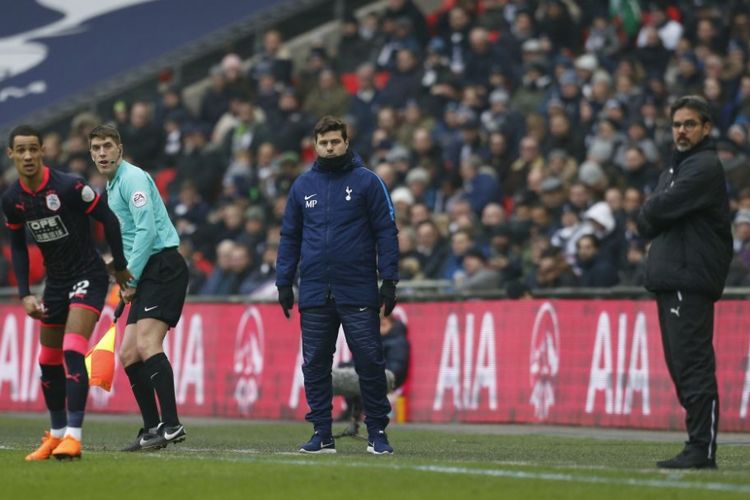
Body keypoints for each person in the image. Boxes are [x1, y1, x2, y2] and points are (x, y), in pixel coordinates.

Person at [2, 125, 130, 460]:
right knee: (47, 360)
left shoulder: (69, 185)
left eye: (34, 149)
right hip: (55, 283)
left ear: (43, 150)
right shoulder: (13, 199)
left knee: (73, 349)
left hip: (88, 275)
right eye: (21, 150)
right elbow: (16, 246)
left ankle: (74, 436)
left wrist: (118, 266)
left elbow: (109, 219)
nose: (28, 156)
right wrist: (26, 294)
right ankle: (56, 435)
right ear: (11, 154)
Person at [276, 116, 399, 455]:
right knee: (315, 363)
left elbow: (387, 231)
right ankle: (322, 433)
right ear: (315, 146)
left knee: (370, 362)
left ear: (346, 142)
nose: (329, 147)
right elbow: (290, 236)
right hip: (315, 290)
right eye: (323, 142)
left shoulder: (367, 182)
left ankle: (377, 432)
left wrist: (389, 280)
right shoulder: (302, 186)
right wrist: (284, 282)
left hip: (358, 288)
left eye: (335, 141)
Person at [637, 95, 732, 469]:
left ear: (706, 128)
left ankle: (701, 448)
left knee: (692, 364)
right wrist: (654, 210)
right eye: (677, 124)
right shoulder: (673, 172)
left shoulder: (704, 167)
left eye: (690, 124)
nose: (682, 130)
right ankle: (696, 444)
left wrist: (654, 209)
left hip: (688, 279)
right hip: (671, 278)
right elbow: (648, 221)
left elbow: (653, 212)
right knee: (680, 365)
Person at [89, 125, 189, 452]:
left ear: (120, 148)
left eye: (107, 146)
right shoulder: (111, 185)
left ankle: (172, 425)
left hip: (162, 265)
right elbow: (130, 236)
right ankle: (151, 429)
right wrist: (116, 266)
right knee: (129, 353)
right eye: (96, 148)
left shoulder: (132, 179)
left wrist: (128, 278)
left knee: (148, 343)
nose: (102, 153)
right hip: (146, 270)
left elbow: (146, 231)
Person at [333, 314, 410, 435]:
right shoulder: (374, 340)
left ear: (393, 325)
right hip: (371, 373)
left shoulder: (398, 342)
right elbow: (357, 360)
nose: (380, 328)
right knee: (344, 371)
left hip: (387, 376)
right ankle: (353, 411)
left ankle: (367, 414)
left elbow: (397, 367)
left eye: (384, 325)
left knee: (367, 378)